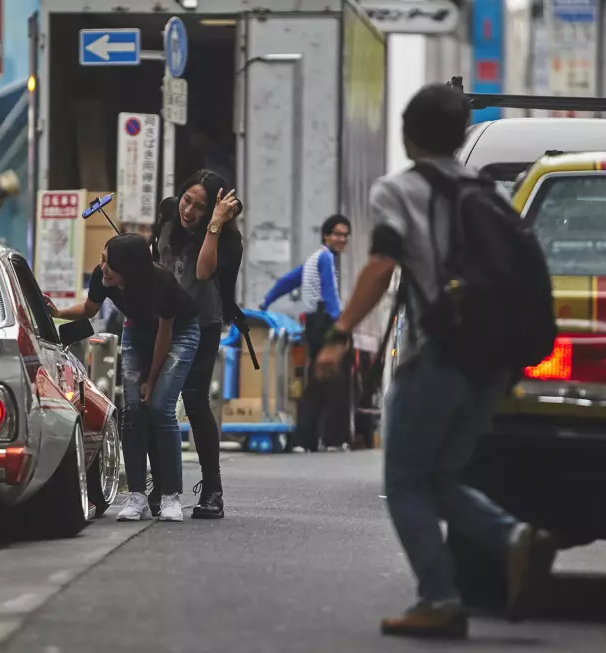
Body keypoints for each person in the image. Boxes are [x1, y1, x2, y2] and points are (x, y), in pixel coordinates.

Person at [314, 83, 556, 639]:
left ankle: (441, 600)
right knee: (440, 475)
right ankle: (514, 538)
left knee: (404, 480)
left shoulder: (399, 190)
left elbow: (380, 264)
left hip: (439, 354)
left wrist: (340, 333)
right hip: (492, 360)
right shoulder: (488, 189)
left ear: (409, 133)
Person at [46, 233, 200, 522]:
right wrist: (58, 313)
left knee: (160, 408)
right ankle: (137, 496)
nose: (102, 266)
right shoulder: (102, 277)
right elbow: (89, 309)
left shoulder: (161, 283)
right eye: (103, 259)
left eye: (109, 263)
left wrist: (150, 380)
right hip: (138, 332)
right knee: (132, 411)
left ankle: (171, 496)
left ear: (128, 270)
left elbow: (164, 336)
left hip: (178, 333)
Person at [151, 169, 243, 519]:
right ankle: (159, 485)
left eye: (199, 207)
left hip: (202, 322)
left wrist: (215, 224)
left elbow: (204, 272)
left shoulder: (229, 240)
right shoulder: (167, 213)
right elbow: (157, 261)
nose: (188, 211)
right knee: (154, 400)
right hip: (162, 320)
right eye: (187, 200)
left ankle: (213, 489)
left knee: (193, 400)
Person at [259, 215, 352, 452]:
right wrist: (340, 326)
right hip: (324, 320)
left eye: (345, 235)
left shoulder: (314, 259)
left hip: (313, 322)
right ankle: (331, 439)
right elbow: (330, 295)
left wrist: (266, 300)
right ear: (326, 235)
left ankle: (305, 439)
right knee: (337, 379)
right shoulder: (326, 258)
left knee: (319, 380)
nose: (342, 239)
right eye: (337, 234)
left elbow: (288, 281)